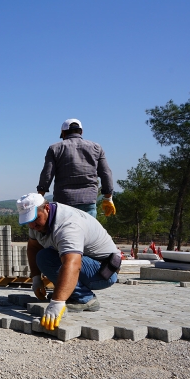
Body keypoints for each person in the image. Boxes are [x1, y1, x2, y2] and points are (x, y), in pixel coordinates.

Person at [17, 193, 121, 331]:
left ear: (46, 208)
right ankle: (72, 294)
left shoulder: (68, 225)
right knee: (44, 256)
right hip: (87, 263)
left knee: (46, 258)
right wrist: (36, 278)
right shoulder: (37, 225)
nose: (32, 225)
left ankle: (86, 299)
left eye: (35, 219)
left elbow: (72, 264)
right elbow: (33, 247)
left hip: (104, 271)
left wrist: (57, 302)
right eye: (28, 221)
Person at [36, 118, 116, 218]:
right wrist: (108, 198)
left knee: (66, 228)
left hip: (64, 201)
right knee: (87, 228)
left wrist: (39, 197)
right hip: (88, 201)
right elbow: (106, 173)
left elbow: (47, 175)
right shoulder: (96, 148)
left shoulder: (55, 148)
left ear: (63, 133)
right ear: (81, 132)